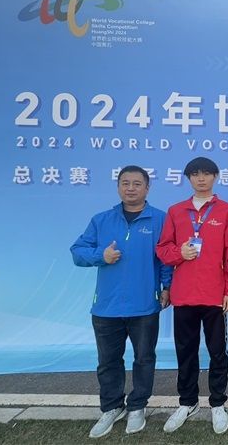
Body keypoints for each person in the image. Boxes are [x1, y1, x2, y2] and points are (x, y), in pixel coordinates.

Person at [70, 165, 171, 438]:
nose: (131, 188)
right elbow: (77, 251)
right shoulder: (101, 220)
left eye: (137, 183)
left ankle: (137, 406)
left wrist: (167, 287)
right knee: (108, 361)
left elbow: (165, 258)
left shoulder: (160, 219)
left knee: (144, 358)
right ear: (118, 187)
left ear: (147, 188)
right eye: (125, 183)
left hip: (144, 305)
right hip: (107, 306)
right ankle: (112, 407)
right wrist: (101, 256)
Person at [156, 157, 228, 434]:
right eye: (195, 174)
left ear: (216, 177)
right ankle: (187, 401)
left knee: (217, 352)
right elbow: (163, 249)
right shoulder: (176, 211)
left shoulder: (226, 211)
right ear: (188, 178)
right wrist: (179, 252)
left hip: (214, 295)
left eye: (206, 174)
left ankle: (217, 403)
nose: (201, 179)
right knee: (186, 351)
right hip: (184, 295)